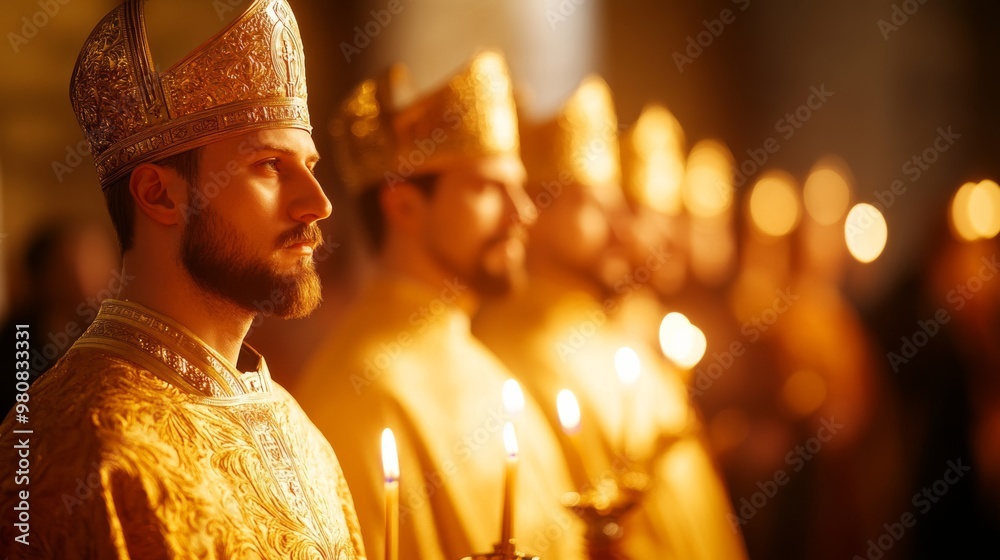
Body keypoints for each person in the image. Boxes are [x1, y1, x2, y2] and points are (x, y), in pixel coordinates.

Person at [0, 1, 366, 557]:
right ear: (159, 194)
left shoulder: (299, 431)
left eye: (310, 167)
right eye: (269, 164)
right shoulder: (79, 448)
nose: (318, 204)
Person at [294, 51, 585, 559]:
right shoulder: (363, 395)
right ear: (405, 205)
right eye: (489, 187)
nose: (524, 213)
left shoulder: (478, 359)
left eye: (519, 187)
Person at [472, 78, 749, 559]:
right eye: (592, 205)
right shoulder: (515, 349)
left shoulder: (603, 339)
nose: (622, 227)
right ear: (537, 205)